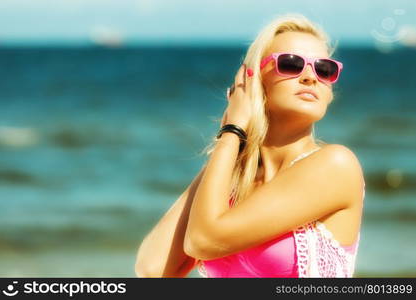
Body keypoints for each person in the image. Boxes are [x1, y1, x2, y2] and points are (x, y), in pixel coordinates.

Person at [135, 13, 365, 278]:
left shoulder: (334, 165)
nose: (310, 77)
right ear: (253, 79)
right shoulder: (232, 178)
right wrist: (233, 140)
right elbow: (152, 269)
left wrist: (230, 131)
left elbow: (203, 241)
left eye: (324, 69)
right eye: (291, 64)